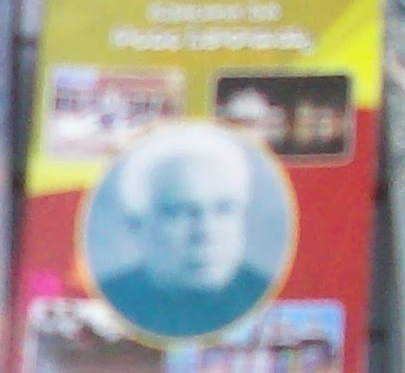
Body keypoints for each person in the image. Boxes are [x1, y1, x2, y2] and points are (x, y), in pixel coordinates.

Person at [95, 125, 276, 340]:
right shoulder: (110, 300)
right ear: (136, 225)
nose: (205, 232)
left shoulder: (265, 291)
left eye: (224, 209)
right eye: (178, 212)